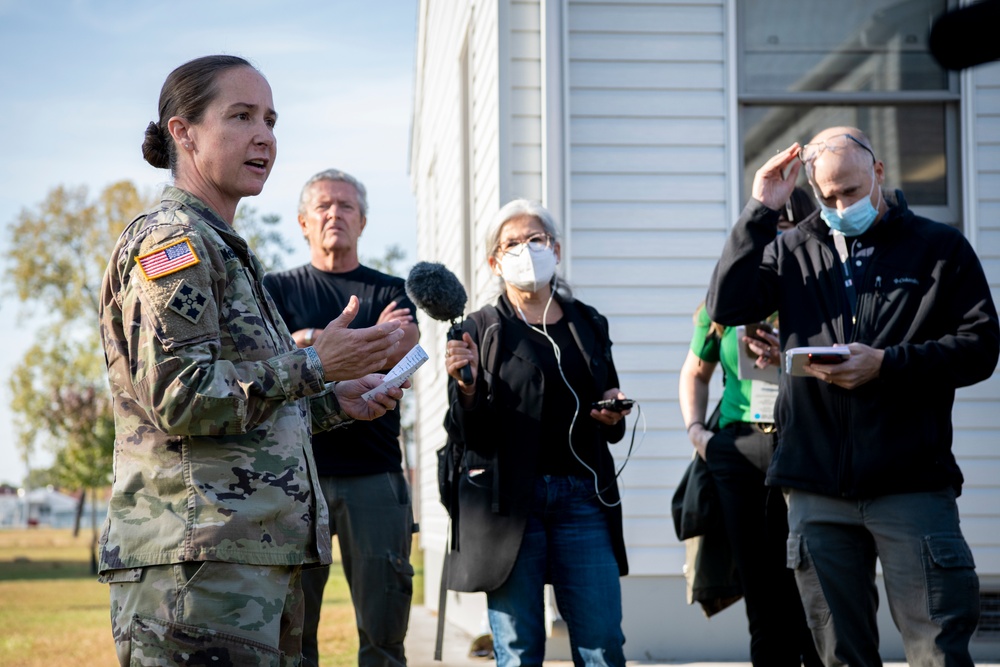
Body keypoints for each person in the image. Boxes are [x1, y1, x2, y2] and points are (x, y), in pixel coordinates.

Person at [98, 55, 407, 666]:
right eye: (240, 116)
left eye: (270, 119)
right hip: (199, 574)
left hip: (253, 569)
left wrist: (331, 402)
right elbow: (182, 399)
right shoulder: (172, 243)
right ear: (182, 132)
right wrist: (316, 364)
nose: (264, 135)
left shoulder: (227, 249)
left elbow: (245, 408)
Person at [706, 126, 999, 666]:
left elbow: (980, 348)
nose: (840, 205)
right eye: (828, 195)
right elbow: (727, 305)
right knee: (838, 653)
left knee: (935, 647)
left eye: (851, 190)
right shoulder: (792, 249)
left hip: (911, 481)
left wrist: (887, 365)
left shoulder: (939, 248)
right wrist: (759, 208)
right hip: (815, 484)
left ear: (879, 173)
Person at [442, 199, 631, 667]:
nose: (526, 250)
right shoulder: (479, 329)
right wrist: (465, 386)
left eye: (536, 239)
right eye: (513, 243)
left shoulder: (588, 323)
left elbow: (610, 409)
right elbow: (470, 433)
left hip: (583, 498)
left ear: (556, 250)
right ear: (494, 260)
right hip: (510, 505)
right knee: (520, 650)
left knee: (602, 644)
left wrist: (613, 412)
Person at [263, 168, 420, 667]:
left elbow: (403, 345)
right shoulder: (275, 288)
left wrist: (304, 342)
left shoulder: (390, 288)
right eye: (324, 207)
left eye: (346, 206)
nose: (335, 214)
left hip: (374, 474)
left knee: (384, 629)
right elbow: (264, 357)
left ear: (364, 221)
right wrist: (321, 341)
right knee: (292, 636)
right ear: (304, 222)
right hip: (295, 473)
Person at [679, 188, 821, 667]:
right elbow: (694, 372)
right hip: (738, 452)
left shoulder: (820, 294)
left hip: (804, 448)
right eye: (763, 230)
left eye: (784, 229)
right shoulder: (727, 296)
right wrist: (699, 434)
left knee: (810, 594)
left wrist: (792, 358)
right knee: (763, 600)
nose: (772, 241)